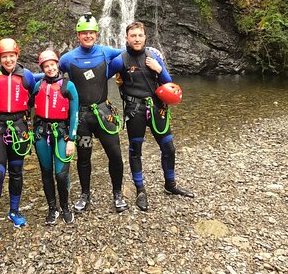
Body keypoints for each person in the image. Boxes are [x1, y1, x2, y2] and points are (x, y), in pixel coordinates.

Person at [109, 22, 194, 211]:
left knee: (169, 148)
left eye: (140, 35)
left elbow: (168, 83)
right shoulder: (120, 60)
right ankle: (140, 189)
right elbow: (101, 79)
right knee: (135, 150)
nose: (137, 39)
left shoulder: (153, 56)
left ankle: (170, 185)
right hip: (134, 109)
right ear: (127, 38)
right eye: (133, 36)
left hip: (157, 107)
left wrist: (158, 69)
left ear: (145, 37)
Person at [58, 13, 128, 213]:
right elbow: (53, 74)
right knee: (83, 157)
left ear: (97, 34)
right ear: (78, 35)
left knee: (115, 155)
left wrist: (149, 52)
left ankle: (117, 194)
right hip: (82, 118)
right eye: (84, 33)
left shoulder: (107, 52)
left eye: (91, 32)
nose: (88, 36)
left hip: (104, 114)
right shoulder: (67, 59)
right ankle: (85, 195)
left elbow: (129, 52)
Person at [0, 38, 36, 235]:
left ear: (17, 56)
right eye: (4, 56)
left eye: (11, 56)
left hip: (19, 126)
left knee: (16, 171)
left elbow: (37, 91)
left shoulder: (27, 76)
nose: (8, 60)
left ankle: (14, 211)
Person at [30, 50, 79, 225]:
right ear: (42, 68)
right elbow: (30, 109)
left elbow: (74, 114)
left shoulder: (68, 86)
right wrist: (31, 130)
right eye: (46, 66)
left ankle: (65, 206)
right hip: (42, 133)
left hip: (62, 133)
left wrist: (72, 139)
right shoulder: (38, 86)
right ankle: (52, 208)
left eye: (52, 64)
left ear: (57, 64)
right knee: (46, 172)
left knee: (60, 173)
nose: (50, 68)